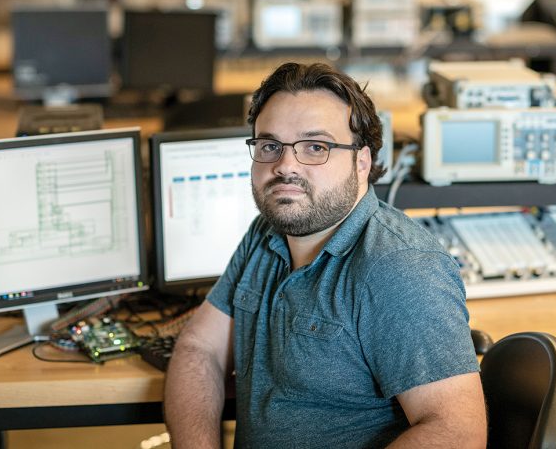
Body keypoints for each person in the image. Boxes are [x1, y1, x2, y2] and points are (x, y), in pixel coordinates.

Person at [164, 62, 486, 448]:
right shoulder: (268, 233)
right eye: (270, 146)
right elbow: (200, 349)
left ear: (361, 162)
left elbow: (457, 433)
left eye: (315, 147)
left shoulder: (399, 268)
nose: (285, 166)